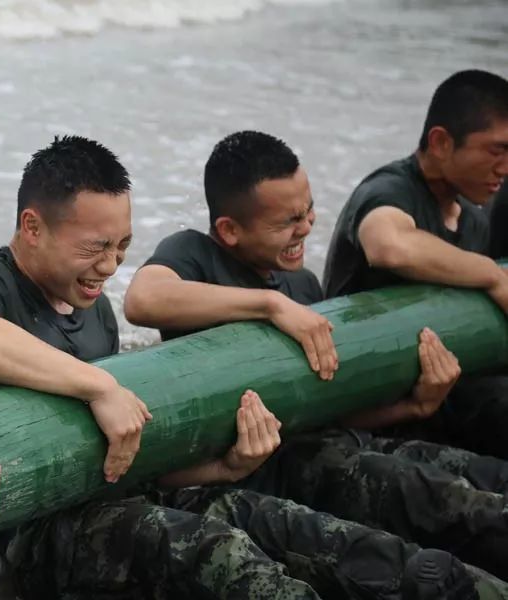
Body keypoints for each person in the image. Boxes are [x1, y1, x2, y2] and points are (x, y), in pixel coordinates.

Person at [0, 135, 504, 599]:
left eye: (123, 245)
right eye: (94, 247)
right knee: (222, 558)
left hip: (124, 495)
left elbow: (120, 453)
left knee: (296, 531)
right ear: (33, 227)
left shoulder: (94, 306)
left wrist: (223, 467)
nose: (109, 265)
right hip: (39, 525)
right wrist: (99, 384)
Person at [125, 130, 508, 587]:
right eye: (287, 221)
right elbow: (144, 299)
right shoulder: (195, 256)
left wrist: (414, 406)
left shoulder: (302, 286)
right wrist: (268, 306)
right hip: (244, 478)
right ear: (229, 230)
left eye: (308, 211)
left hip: (320, 443)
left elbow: (331, 402)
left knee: (475, 495)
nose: (307, 227)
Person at [322, 69, 508, 461]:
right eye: (497, 151)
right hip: (362, 416)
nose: (504, 167)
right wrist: (492, 275)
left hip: (444, 397)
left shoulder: (474, 217)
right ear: (441, 142)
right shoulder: (389, 189)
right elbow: (389, 246)